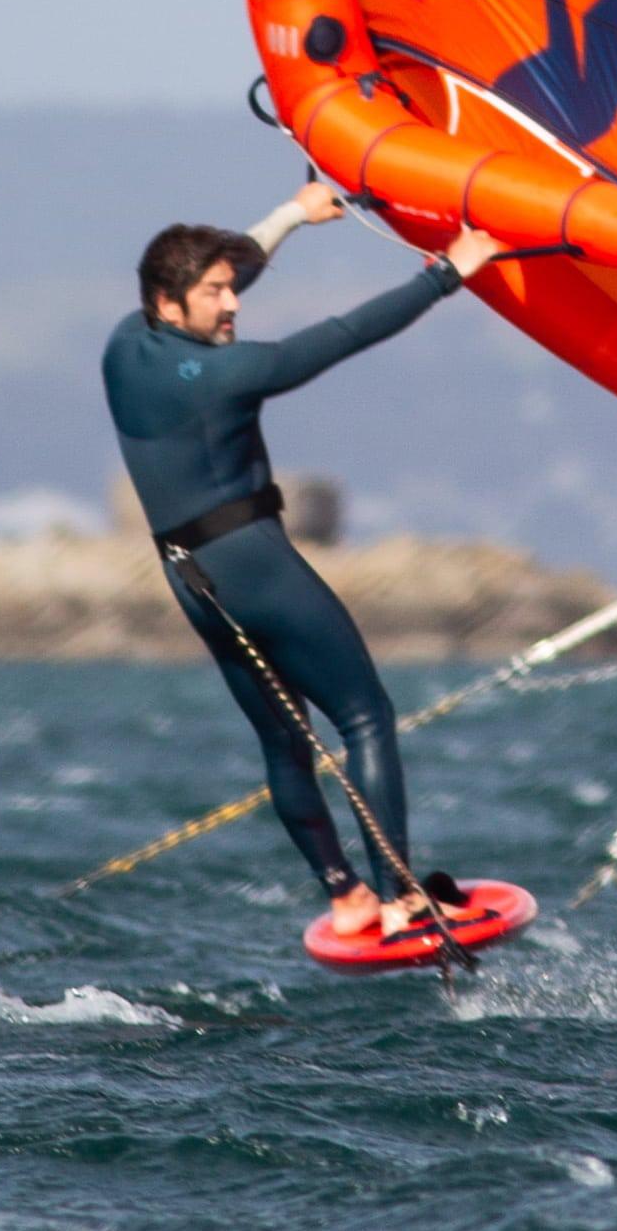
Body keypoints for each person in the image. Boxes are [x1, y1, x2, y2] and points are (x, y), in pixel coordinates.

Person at [104, 180, 502, 940]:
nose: (233, 303)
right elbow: (342, 335)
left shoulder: (126, 344)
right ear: (170, 303)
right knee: (364, 715)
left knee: (284, 741)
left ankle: (346, 895)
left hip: (191, 576)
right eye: (217, 294)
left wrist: (291, 214)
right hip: (255, 566)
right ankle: (400, 894)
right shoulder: (229, 372)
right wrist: (447, 271)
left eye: (230, 288)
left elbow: (224, 271)